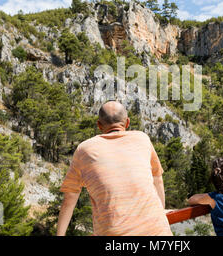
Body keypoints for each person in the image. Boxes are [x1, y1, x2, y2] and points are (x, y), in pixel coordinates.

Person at [56, 101, 172, 236]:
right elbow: (157, 179)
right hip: (157, 231)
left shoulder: (84, 150)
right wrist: (161, 213)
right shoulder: (142, 138)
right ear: (127, 123)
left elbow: (70, 197)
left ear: (99, 125)